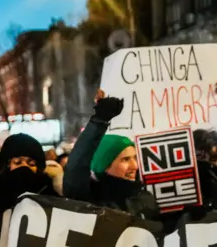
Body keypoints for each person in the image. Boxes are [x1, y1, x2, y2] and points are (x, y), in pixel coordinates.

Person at [63, 92, 159, 220]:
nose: (134, 166)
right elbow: (76, 166)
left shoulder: (144, 197)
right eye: (125, 160)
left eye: (135, 158)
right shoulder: (88, 198)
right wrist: (98, 122)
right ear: (104, 165)